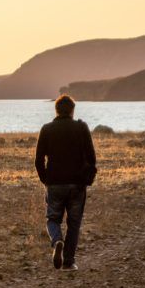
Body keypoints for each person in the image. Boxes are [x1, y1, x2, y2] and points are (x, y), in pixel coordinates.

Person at [35, 94, 96, 272]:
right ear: (72, 110)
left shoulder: (46, 129)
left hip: (54, 182)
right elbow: (91, 157)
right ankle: (69, 262)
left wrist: (45, 179)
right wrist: (88, 179)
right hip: (77, 184)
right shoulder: (81, 127)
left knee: (52, 219)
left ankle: (57, 241)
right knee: (74, 223)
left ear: (56, 110)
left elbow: (38, 160)